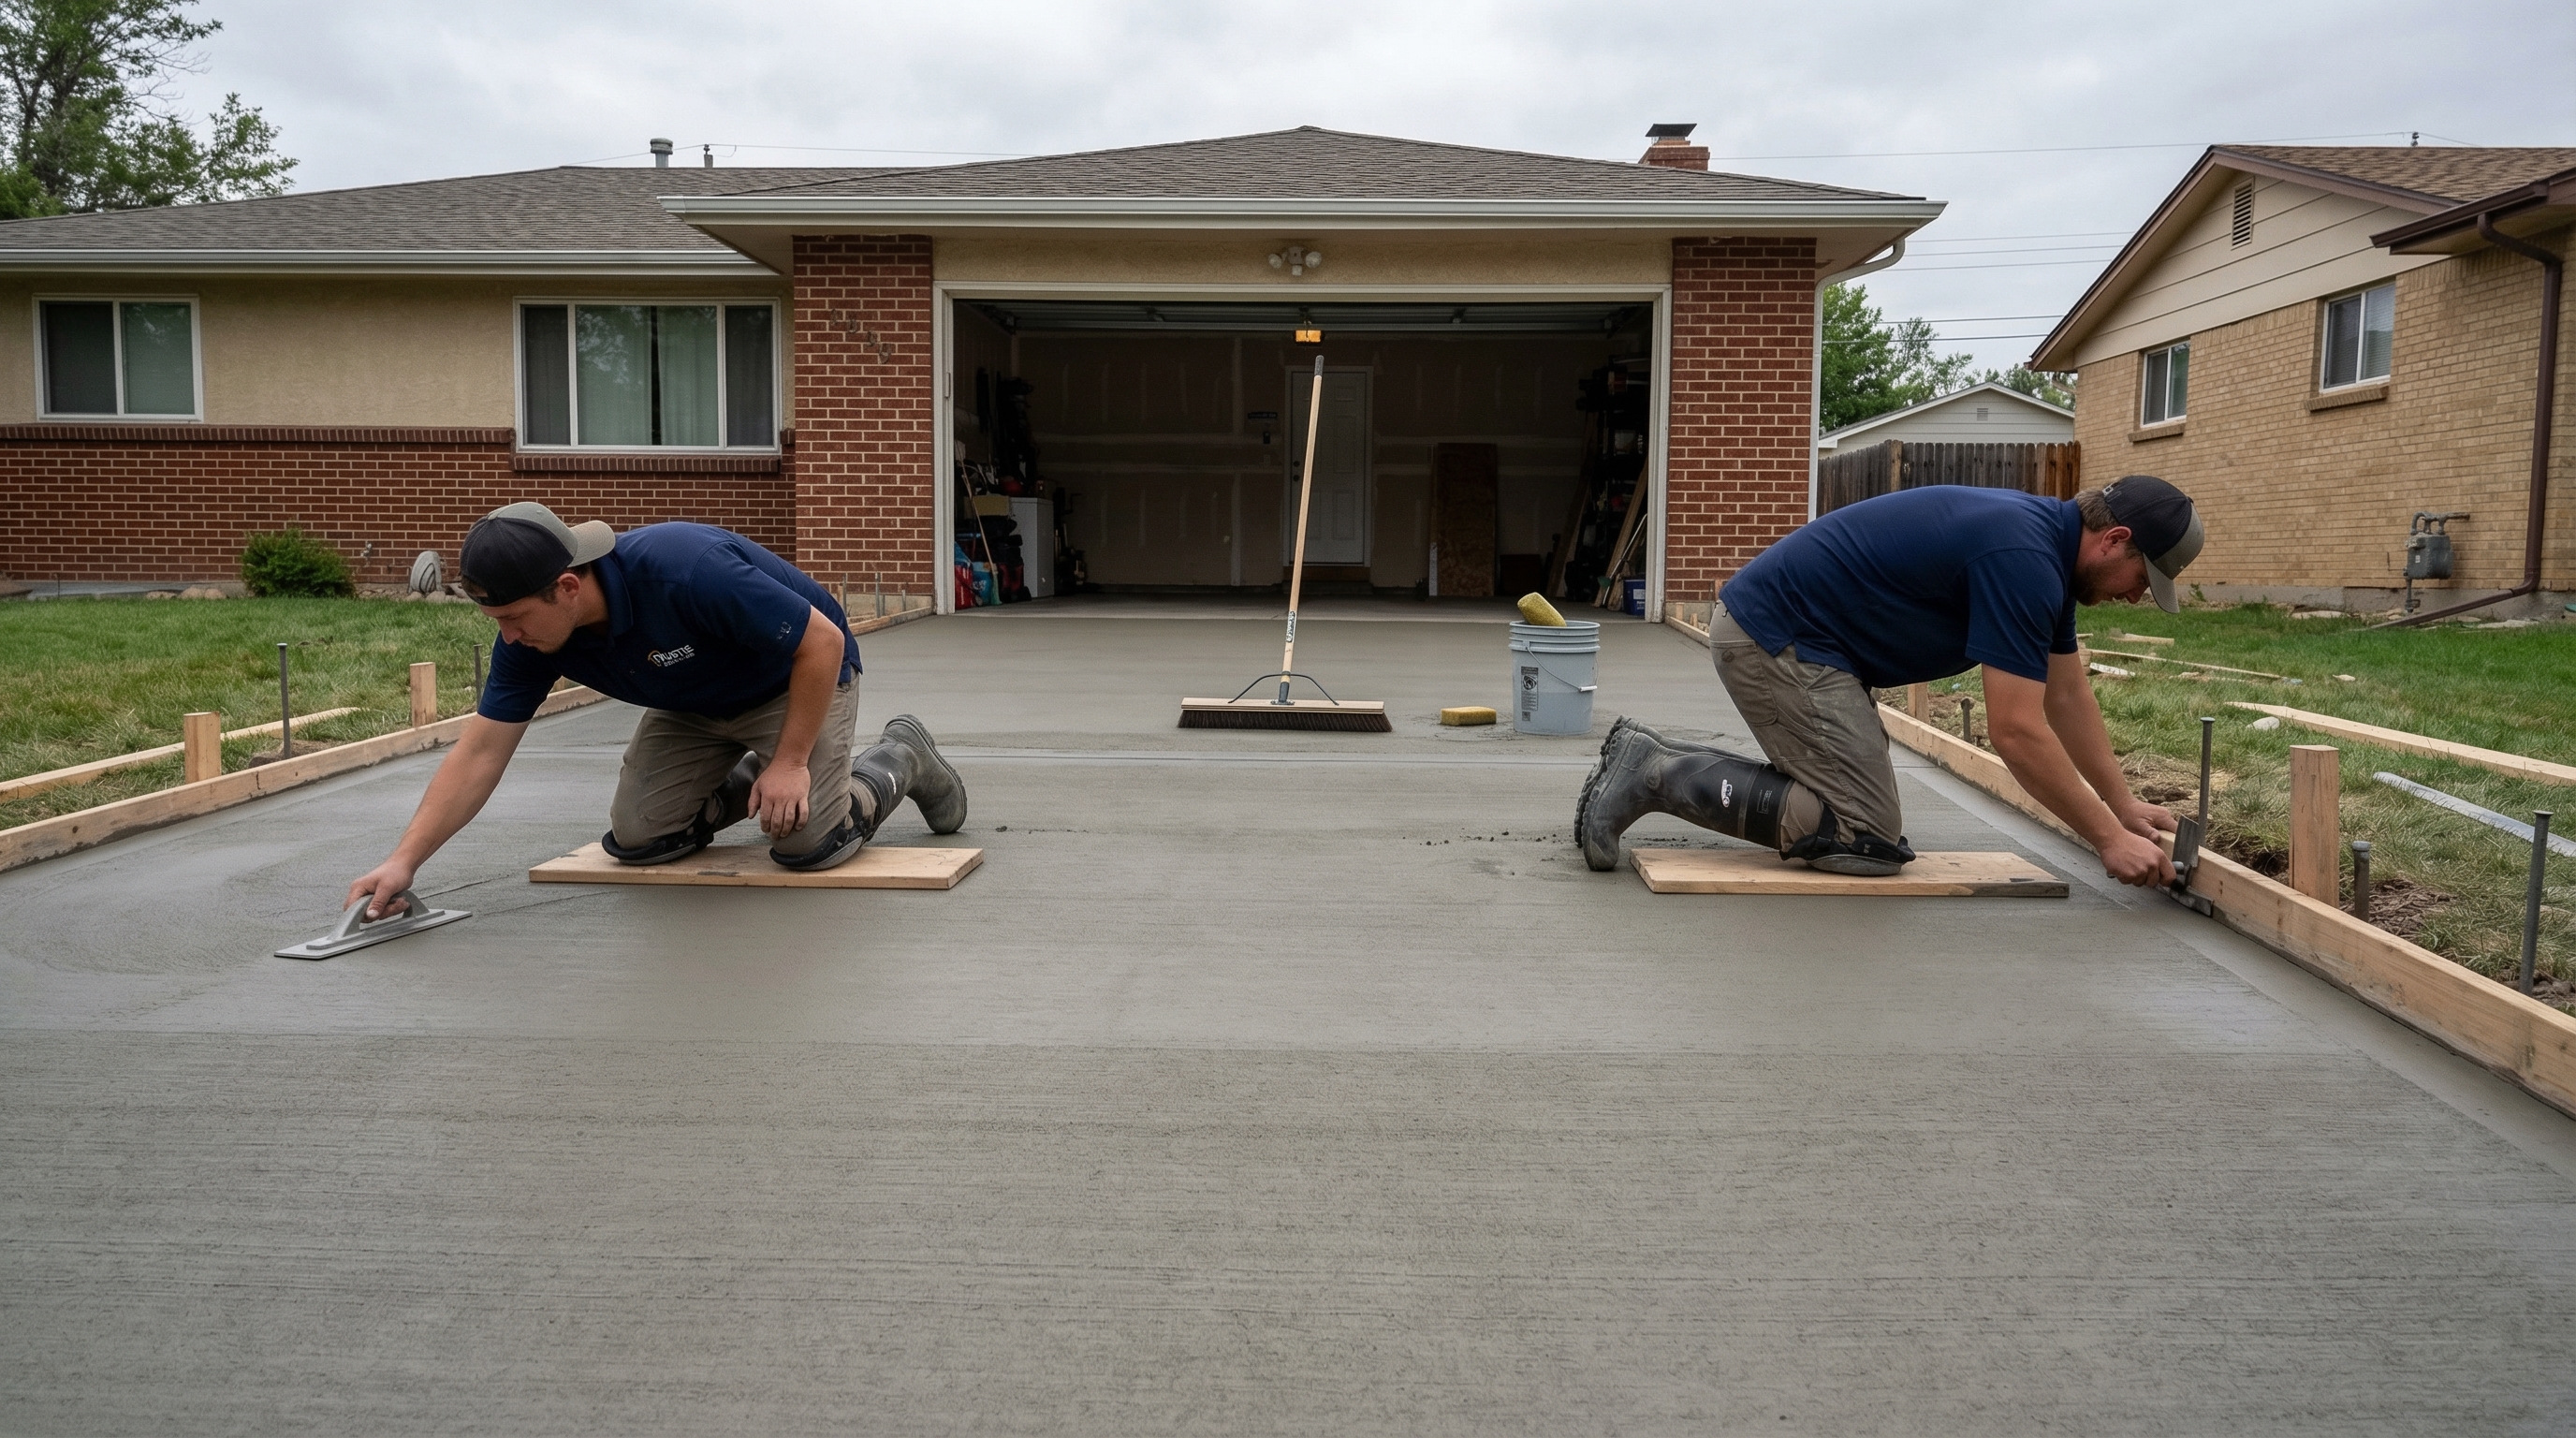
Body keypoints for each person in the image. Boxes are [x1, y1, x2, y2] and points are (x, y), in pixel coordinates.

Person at [1578, 475, 2204, 888]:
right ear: (2114, 539)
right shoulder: (2024, 559)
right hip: (1780, 642)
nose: (2134, 597)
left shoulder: (2042, 551)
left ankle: (1658, 766)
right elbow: (2016, 731)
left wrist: (2121, 808)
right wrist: (2104, 839)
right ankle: (1653, 772)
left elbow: (2066, 696)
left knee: (1863, 825)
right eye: (2141, 579)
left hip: (1813, 648)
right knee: (1864, 836)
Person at [346, 502, 964, 918]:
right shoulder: (531, 638)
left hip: (794, 682)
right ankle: (757, 772)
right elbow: (480, 751)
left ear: (566, 587)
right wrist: (404, 862)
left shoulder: (684, 569)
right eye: (496, 621)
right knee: (639, 838)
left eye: (513, 619)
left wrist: (793, 761)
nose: (507, 637)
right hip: (692, 707)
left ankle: (900, 756)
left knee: (807, 844)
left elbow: (823, 642)